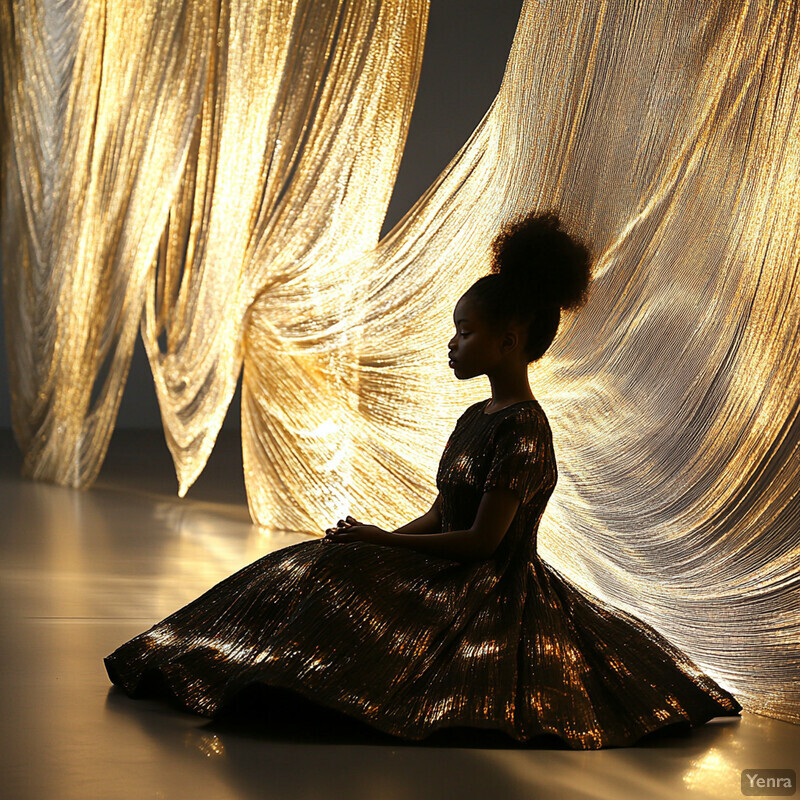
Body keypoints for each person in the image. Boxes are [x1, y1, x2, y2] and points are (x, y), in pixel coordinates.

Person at [104, 211, 742, 749]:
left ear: (510, 341)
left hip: (485, 592)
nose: (452, 345)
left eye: (466, 334)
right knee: (311, 564)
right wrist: (372, 541)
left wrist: (387, 547)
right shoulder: (476, 416)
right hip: (444, 568)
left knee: (336, 589)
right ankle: (211, 663)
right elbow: (442, 516)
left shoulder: (524, 431)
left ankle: (279, 683)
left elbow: (482, 545)